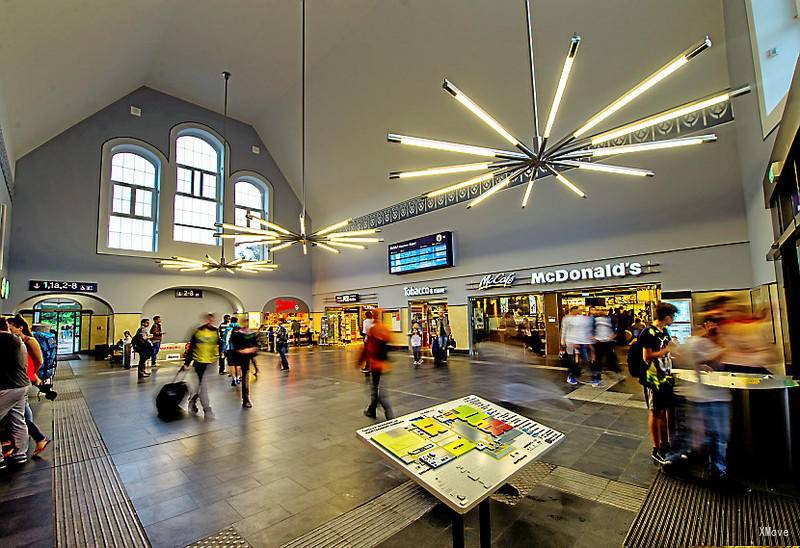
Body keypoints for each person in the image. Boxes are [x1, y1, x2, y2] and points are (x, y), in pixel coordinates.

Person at [665, 311, 730, 480]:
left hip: (696, 395)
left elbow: (683, 359)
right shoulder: (700, 343)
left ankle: (677, 459)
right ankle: (717, 471)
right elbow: (718, 358)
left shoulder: (691, 343)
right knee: (717, 435)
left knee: (697, 434)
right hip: (708, 396)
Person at [640, 301, 679, 465]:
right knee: (655, 412)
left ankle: (665, 444)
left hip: (666, 377)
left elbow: (667, 352)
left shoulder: (665, 331)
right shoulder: (648, 332)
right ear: (667, 316)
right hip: (654, 379)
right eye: (673, 317)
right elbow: (646, 357)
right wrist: (666, 350)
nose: (674, 320)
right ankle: (656, 448)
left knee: (663, 412)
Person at [8, 316, 51, 457]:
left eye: (11, 327)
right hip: (20, 380)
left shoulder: (28, 341)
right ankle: (32, 437)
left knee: (19, 413)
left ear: (19, 327)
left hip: (23, 380)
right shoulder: (13, 341)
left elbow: (39, 360)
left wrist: (32, 375)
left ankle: (32, 437)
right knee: (21, 411)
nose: (9, 330)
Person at [0, 317, 30, 467]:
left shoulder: (5, 339)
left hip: (6, 387)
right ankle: (20, 454)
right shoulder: (17, 340)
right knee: (18, 419)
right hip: (21, 385)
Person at [183, 314, 219, 419]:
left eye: (213, 319)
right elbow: (191, 348)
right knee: (203, 387)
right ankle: (207, 410)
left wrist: (218, 355)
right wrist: (186, 363)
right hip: (199, 363)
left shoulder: (215, 331)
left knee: (199, 386)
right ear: (206, 320)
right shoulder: (198, 331)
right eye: (209, 319)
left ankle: (192, 401)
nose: (211, 321)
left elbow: (217, 344)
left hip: (210, 363)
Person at [363, 311, 394, 420]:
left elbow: (368, 348)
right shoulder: (385, 328)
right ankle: (371, 410)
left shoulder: (373, 329)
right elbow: (390, 343)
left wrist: (360, 360)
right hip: (385, 365)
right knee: (378, 388)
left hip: (376, 365)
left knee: (376, 390)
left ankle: (388, 412)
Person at [561, 307, 597, 386]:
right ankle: (571, 376)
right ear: (572, 311)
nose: (579, 312)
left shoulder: (578, 319)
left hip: (579, 342)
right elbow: (564, 330)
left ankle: (588, 375)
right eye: (577, 311)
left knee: (581, 359)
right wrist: (563, 341)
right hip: (571, 342)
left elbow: (585, 329)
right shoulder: (567, 319)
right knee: (574, 360)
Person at [230, 323, 259, 408]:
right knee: (236, 369)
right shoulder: (236, 333)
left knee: (245, 377)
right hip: (236, 356)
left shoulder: (248, 334)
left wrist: (250, 350)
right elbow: (237, 346)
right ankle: (235, 379)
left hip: (245, 359)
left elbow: (254, 344)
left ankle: (246, 399)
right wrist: (245, 350)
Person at [227, 316, 242, 386]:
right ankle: (238, 377)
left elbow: (225, 340)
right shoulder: (240, 329)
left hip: (230, 349)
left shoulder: (228, 328)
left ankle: (234, 379)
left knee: (231, 364)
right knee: (238, 364)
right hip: (238, 349)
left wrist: (223, 350)